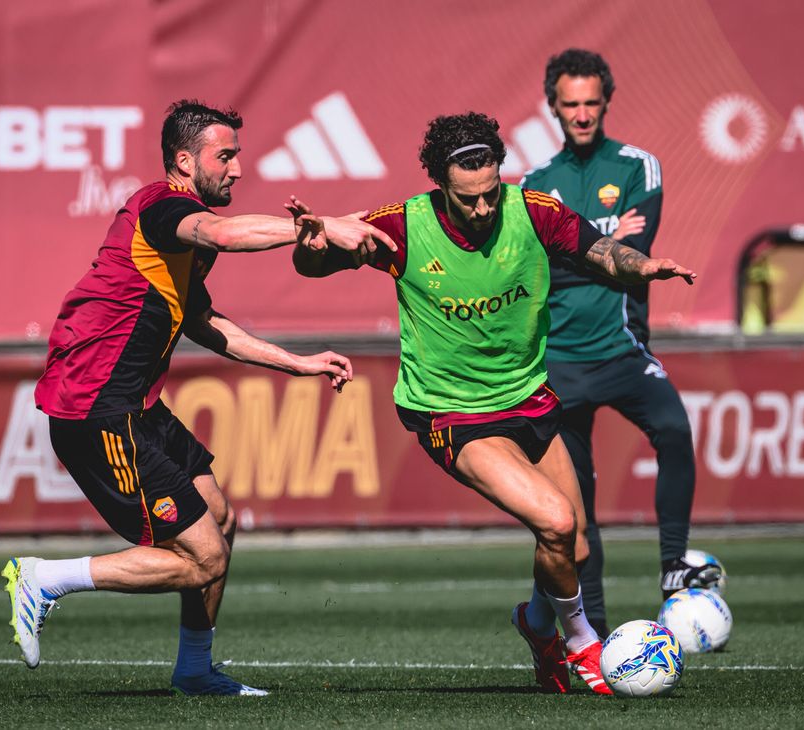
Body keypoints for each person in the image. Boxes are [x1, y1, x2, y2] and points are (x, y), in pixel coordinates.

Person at [2, 99, 396, 696]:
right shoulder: (164, 208)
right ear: (184, 162)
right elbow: (224, 231)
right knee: (203, 557)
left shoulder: (187, 243)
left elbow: (208, 325)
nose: (238, 169)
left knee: (220, 519)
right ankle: (45, 578)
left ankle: (194, 669)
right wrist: (315, 226)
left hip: (135, 406)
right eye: (226, 156)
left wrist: (299, 363)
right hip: (97, 409)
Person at [293, 112, 695, 695]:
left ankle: (536, 624)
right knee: (555, 521)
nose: (482, 209)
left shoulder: (532, 211)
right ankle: (582, 643)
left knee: (573, 545)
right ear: (439, 184)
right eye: (467, 200)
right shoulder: (403, 226)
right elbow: (318, 262)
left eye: (488, 194)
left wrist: (643, 266)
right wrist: (310, 247)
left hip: (528, 400)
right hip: (451, 413)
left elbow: (601, 250)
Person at [521, 49, 719, 640]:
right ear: (553, 107)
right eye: (570, 103)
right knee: (578, 508)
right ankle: (599, 633)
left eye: (591, 102)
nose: (581, 114)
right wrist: (605, 244)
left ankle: (673, 567)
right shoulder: (533, 183)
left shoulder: (639, 165)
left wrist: (579, 249)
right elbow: (560, 265)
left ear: (605, 102)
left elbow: (634, 263)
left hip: (624, 350)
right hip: (559, 362)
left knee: (675, 430)